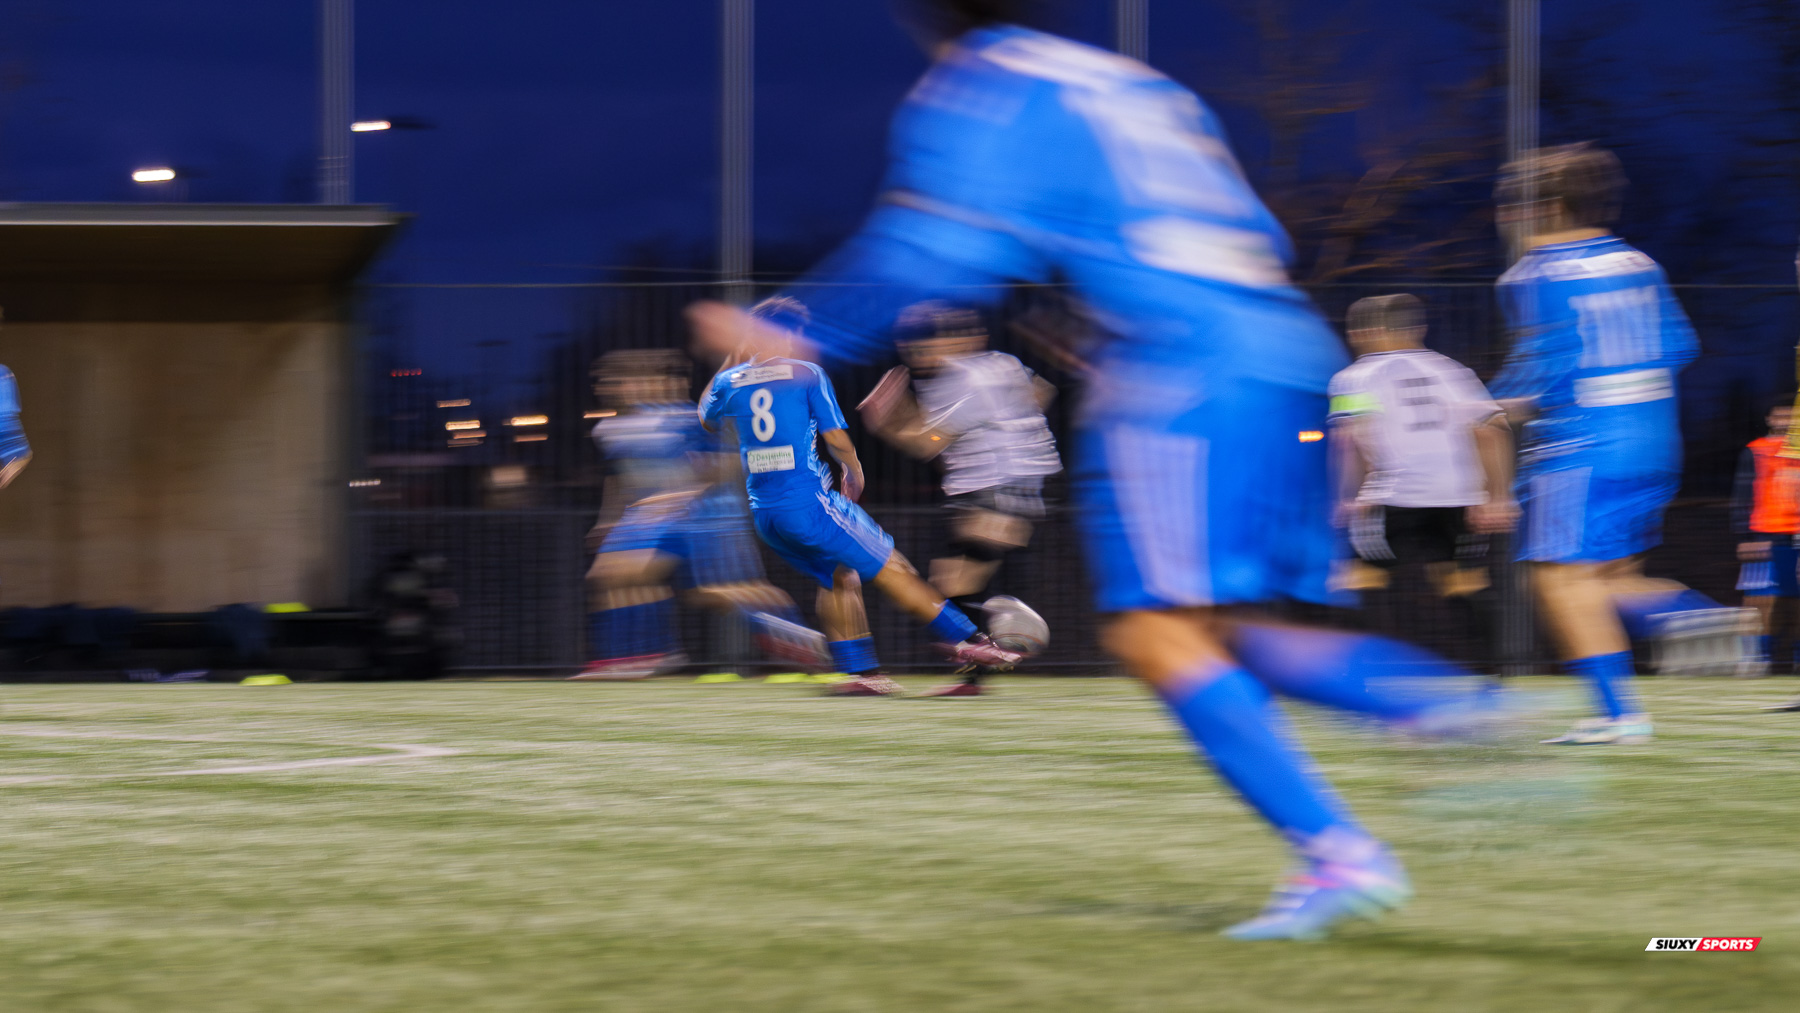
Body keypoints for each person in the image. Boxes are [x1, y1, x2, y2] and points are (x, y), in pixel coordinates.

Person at [687, 2, 1503, 940]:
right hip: (1282, 345)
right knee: (1225, 628)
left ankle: (1348, 841)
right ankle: (1443, 716)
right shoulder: (1137, 86)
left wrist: (798, 332)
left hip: (1192, 367)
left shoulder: (986, 86)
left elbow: (940, 249)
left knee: (1158, 635)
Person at [1491, 143, 1754, 744]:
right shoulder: (1639, 262)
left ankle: (1621, 713)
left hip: (1581, 444)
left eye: (1512, 205)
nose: (1506, 218)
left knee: (1560, 581)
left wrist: (1494, 405)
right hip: (1654, 438)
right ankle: (1697, 619)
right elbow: (1680, 347)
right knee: (1607, 580)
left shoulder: (1533, 274)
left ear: (1548, 206)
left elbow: (1543, 371)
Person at [699, 297, 1024, 698]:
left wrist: (734, 358)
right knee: (894, 568)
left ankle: (861, 673)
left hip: (766, 515)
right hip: (809, 505)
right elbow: (836, 438)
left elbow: (705, 417)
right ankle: (970, 639)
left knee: (839, 578)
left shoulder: (729, 382)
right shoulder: (806, 373)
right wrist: (854, 472)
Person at [575, 349, 826, 680]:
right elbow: (620, 478)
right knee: (614, 575)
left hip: (710, 516)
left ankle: (805, 644)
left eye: (628, 381)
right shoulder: (609, 429)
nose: (618, 389)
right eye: (609, 383)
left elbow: (730, 462)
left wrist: (680, 494)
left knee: (727, 592)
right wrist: (609, 518)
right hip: (654, 518)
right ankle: (636, 655)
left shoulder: (687, 419)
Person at [859, 301, 1062, 696]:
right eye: (910, 350)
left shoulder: (965, 378)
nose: (916, 357)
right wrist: (1019, 427)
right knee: (957, 583)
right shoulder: (1001, 363)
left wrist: (885, 421)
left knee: (957, 586)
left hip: (997, 484)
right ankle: (982, 664)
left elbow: (926, 442)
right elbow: (1043, 390)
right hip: (1011, 481)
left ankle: (1008, 640)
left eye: (921, 348)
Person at [1328, 294, 1515, 663]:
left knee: (1362, 580)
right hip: (1459, 496)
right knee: (1463, 584)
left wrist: (1349, 495)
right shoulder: (1453, 370)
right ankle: (1495, 679)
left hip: (1395, 495)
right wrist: (1497, 496)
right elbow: (1491, 430)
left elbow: (1350, 438)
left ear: (1365, 331)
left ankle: (1371, 679)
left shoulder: (1354, 378)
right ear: (1418, 328)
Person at [1734, 405, 1800, 675]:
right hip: (1766, 533)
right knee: (1760, 600)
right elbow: (1742, 491)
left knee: (1795, 600)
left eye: (1791, 416)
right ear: (1769, 419)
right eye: (1780, 415)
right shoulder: (1756, 449)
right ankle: (1756, 656)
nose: (1785, 421)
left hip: (1796, 534)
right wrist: (1743, 534)